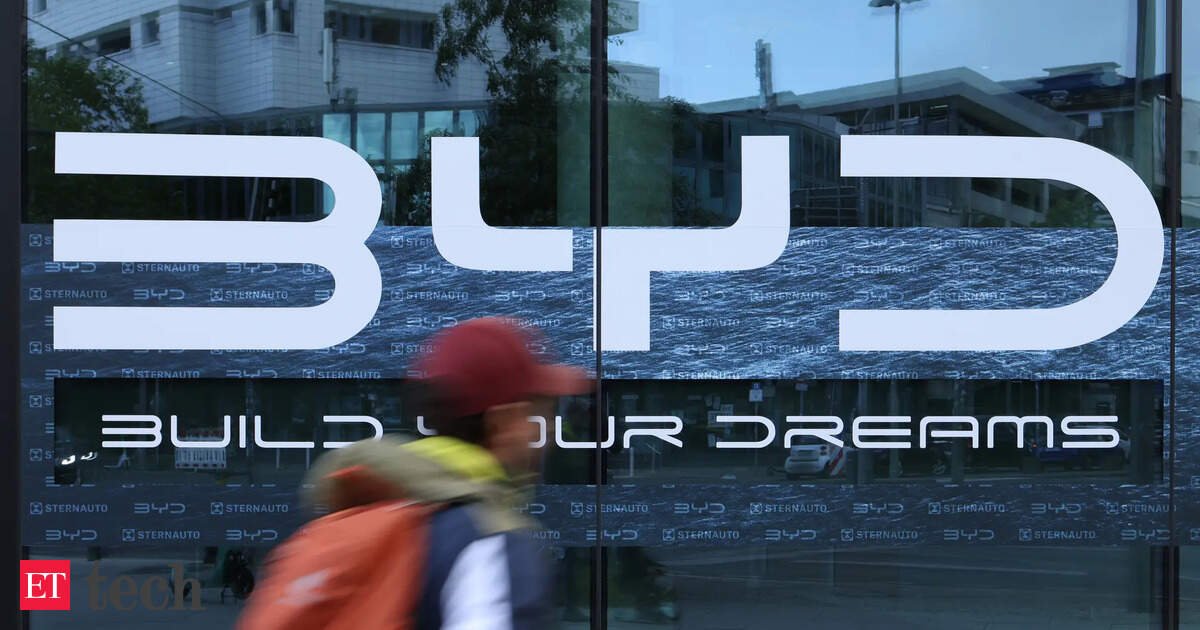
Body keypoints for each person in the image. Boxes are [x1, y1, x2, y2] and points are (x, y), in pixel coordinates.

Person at [301, 317, 587, 630]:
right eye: (537, 414)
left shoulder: (359, 513)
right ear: (501, 421)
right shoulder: (486, 542)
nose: (546, 432)